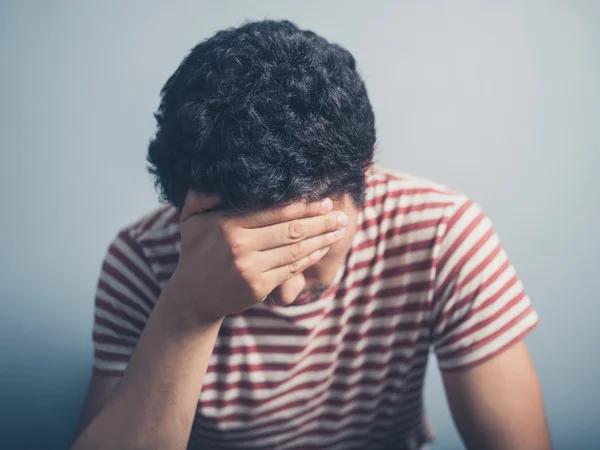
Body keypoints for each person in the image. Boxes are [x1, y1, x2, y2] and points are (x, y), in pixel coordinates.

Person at [71, 20, 551, 450]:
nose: (284, 293)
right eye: (248, 250)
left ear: (364, 173)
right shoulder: (141, 261)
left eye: (306, 249)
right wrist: (187, 310)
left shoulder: (441, 233)